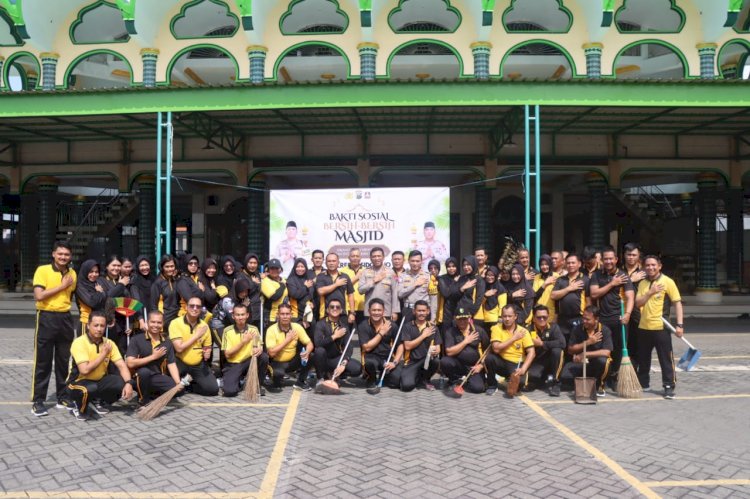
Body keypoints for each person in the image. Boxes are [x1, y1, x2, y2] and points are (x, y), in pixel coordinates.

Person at [31, 241, 78, 417]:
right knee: (43, 361)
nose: (63, 257)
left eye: (66, 254)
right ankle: (38, 401)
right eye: (60, 254)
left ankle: (62, 397)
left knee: (63, 361)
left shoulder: (73, 273)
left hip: (65, 318)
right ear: (53, 254)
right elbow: (39, 295)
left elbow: (71, 295)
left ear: (70, 256)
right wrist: (62, 286)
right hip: (46, 317)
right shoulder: (42, 270)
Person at [67, 311, 133, 421]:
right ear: (88, 325)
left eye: (102, 326)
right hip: (76, 383)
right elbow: (84, 370)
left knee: (120, 382)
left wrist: (129, 383)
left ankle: (97, 401)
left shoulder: (109, 343)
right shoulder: (79, 342)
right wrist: (103, 354)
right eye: (96, 325)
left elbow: (121, 365)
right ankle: (77, 406)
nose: (99, 329)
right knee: (89, 389)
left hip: (98, 382)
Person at [634, 255, 683, 399]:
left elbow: (677, 303)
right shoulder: (642, 283)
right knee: (643, 358)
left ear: (659, 266)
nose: (650, 267)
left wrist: (679, 325)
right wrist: (650, 292)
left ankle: (668, 386)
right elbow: (638, 303)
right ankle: (644, 383)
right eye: (647, 265)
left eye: (653, 265)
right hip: (644, 327)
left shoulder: (668, 281)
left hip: (661, 327)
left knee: (665, 359)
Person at [589, 245, 634, 388]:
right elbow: (594, 294)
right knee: (602, 349)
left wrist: (627, 314)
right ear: (602, 260)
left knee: (619, 350)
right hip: (602, 319)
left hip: (619, 319)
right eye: (605, 259)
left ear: (616, 259)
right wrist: (612, 284)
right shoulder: (596, 275)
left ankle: (614, 377)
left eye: (611, 259)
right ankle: (602, 377)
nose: (608, 261)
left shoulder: (623, 275)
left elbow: (630, 297)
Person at [125, 310, 180, 405]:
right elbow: (130, 363)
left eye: (159, 322)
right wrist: (153, 357)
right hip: (138, 377)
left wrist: (178, 383)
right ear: (147, 323)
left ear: (163, 324)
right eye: (153, 322)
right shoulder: (136, 339)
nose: (156, 325)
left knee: (178, 390)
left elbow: (171, 364)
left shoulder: (167, 342)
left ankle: (151, 394)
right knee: (144, 372)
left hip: (156, 377)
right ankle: (143, 400)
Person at [169, 296, 218, 396]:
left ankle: (190, 386)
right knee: (174, 392)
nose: (195, 308)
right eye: (192, 306)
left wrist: (207, 352)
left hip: (198, 364)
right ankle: (184, 382)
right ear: (186, 307)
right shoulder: (175, 323)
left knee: (213, 390)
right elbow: (179, 348)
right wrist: (196, 336)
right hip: (180, 362)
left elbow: (207, 346)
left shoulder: (204, 326)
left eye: (198, 306)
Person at [561, 306, 612, 397]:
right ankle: (583, 385)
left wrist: (585, 354)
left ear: (596, 319)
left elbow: (606, 352)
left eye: (587, 319)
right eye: (583, 318)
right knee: (565, 377)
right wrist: (588, 342)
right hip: (580, 363)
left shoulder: (605, 330)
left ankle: (600, 386)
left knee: (604, 361)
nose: (584, 321)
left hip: (596, 364)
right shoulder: (577, 329)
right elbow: (570, 350)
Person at [485, 305, 535, 396]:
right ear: (501, 316)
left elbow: (532, 352)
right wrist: (514, 338)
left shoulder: (523, 331)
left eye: (510, 316)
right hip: (502, 361)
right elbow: (496, 348)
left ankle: (510, 378)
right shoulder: (496, 328)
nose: (507, 319)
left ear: (515, 316)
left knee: (520, 385)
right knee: (489, 358)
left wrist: (523, 369)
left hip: (516, 363)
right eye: (504, 316)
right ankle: (492, 385)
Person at [221, 303, 269, 397]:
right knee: (229, 392)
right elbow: (227, 354)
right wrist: (243, 342)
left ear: (247, 315)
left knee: (263, 357)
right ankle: (240, 381)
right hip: (234, 364)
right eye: (237, 315)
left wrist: (259, 349)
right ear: (233, 316)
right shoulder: (227, 331)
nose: (240, 317)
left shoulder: (253, 329)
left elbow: (260, 346)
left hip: (249, 362)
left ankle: (257, 385)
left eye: (242, 314)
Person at [265, 302, 314, 392]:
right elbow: (271, 353)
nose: (285, 316)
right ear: (278, 315)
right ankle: (274, 379)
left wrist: (307, 352)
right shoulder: (271, 330)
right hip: (276, 362)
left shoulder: (297, 327)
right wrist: (287, 340)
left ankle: (300, 382)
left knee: (310, 355)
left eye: (287, 314)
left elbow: (310, 343)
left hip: (292, 361)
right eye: (282, 314)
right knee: (277, 380)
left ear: (291, 315)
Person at [440, 308, 489, 394]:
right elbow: (449, 352)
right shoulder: (450, 332)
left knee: (478, 389)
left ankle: (469, 380)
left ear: (469, 318)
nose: (462, 321)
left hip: (474, 367)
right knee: (445, 361)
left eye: (464, 319)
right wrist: (466, 341)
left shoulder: (478, 331)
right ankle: (454, 380)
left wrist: (481, 366)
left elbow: (488, 350)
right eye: (459, 319)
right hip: (458, 364)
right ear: (455, 319)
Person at [312, 298, 361, 381]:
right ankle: (321, 377)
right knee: (319, 351)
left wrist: (344, 363)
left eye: (337, 307)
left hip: (336, 358)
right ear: (327, 310)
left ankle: (336, 373)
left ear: (341, 310)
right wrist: (334, 336)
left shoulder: (344, 326)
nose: (335, 309)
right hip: (323, 359)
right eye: (332, 307)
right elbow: (318, 343)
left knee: (357, 368)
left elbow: (349, 347)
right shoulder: (320, 324)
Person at [358, 298, 403, 389]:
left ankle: (385, 375)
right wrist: (381, 333)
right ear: (369, 311)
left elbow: (400, 346)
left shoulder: (392, 325)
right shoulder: (363, 325)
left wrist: (395, 362)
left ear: (383, 311)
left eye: (379, 310)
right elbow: (367, 347)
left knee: (395, 382)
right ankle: (371, 378)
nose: (376, 313)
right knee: (369, 363)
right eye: (374, 310)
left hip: (387, 357)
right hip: (371, 356)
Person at [400, 300, 441, 391]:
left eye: (423, 311)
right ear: (414, 311)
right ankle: (417, 378)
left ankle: (425, 379)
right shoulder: (407, 326)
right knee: (407, 386)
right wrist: (423, 336)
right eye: (419, 311)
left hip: (426, 361)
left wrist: (436, 351)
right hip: (411, 362)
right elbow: (407, 346)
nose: (421, 313)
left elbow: (438, 348)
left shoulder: (433, 327)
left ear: (428, 311)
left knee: (436, 361)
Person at [527, 305, 566, 396]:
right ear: (534, 318)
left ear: (548, 317)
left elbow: (562, 343)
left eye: (544, 317)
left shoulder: (554, 327)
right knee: (532, 377)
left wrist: (542, 344)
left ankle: (556, 383)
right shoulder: (528, 329)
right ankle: (541, 380)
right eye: (539, 317)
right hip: (536, 361)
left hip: (551, 360)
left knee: (558, 351)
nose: (542, 319)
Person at [550, 253, 589, 342]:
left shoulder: (585, 279)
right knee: (563, 344)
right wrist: (569, 288)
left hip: (579, 318)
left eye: (573, 263)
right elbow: (553, 295)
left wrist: (586, 317)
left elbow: (589, 301)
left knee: (577, 344)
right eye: (568, 263)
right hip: (562, 319)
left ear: (579, 264)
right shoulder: (561, 279)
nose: (570, 265)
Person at [359, 247, 400, 322]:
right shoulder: (365, 272)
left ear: (383, 257)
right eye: (374, 256)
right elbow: (360, 290)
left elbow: (395, 293)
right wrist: (373, 281)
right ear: (370, 258)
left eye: (379, 256)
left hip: (386, 312)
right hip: (370, 312)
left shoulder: (391, 272)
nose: (376, 258)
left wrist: (395, 311)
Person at [623, 242, 646, 369]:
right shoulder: (619, 271)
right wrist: (631, 280)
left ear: (638, 256)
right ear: (624, 255)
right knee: (623, 342)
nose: (631, 257)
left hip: (638, 312)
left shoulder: (644, 272)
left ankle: (636, 372)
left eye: (634, 255)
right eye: (628, 255)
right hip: (623, 310)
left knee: (638, 343)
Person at [315, 253, 355, 323]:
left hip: (342, 314)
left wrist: (352, 313)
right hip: (325, 314)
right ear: (326, 263)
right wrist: (336, 284)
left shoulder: (345, 276)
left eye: (334, 261)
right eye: (329, 261)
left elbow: (350, 295)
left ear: (338, 262)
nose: (331, 263)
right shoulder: (321, 276)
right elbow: (320, 291)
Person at [75, 259, 107, 337]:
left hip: (99, 323)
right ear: (85, 271)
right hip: (86, 323)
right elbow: (91, 302)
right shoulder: (80, 286)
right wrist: (99, 292)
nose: (94, 274)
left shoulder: (97, 284)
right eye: (91, 272)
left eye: (96, 272)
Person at [397, 250, 431, 322]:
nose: (415, 263)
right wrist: (414, 285)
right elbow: (400, 294)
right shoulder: (403, 276)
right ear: (408, 261)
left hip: (423, 311)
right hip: (408, 310)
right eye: (412, 261)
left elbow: (433, 298)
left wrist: (433, 317)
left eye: (417, 261)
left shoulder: (428, 276)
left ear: (421, 261)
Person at [234, 253, 262, 328]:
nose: (253, 265)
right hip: (247, 312)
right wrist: (254, 283)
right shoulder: (241, 276)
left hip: (258, 312)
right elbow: (243, 292)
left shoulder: (256, 275)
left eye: (255, 263)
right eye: (250, 263)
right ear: (246, 263)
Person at [286, 257, 315, 327]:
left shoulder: (308, 279)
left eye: (302, 266)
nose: (300, 269)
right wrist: (305, 287)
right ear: (294, 268)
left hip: (309, 314)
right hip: (296, 316)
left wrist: (313, 304)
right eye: (298, 267)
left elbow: (313, 295)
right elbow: (294, 294)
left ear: (305, 268)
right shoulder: (291, 280)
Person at [340, 248, 366, 325]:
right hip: (348, 308)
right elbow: (341, 287)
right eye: (353, 256)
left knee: (363, 332)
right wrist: (356, 277)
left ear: (360, 258)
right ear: (349, 257)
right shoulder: (342, 271)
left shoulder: (366, 271)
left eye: (357, 256)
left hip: (364, 307)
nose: (355, 258)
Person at [260, 258, 288, 326]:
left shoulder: (284, 280)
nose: (274, 270)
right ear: (268, 270)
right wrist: (282, 286)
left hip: (284, 316)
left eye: (277, 268)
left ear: (280, 269)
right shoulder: (264, 281)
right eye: (272, 268)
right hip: (271, 318)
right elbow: (274, 296)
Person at [456, 255, 485, 320]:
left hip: (474, 316)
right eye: (464, 265)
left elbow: (479, 299)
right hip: (461, 313)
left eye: (468, 265)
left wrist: (470, 313)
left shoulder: (479, 280)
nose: (466, 267)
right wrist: (462, 288)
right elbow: (456, 295)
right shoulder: (461, 279)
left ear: (473, 264)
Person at [436, 257, 461, 330]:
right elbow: (446, 293)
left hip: (459, 309)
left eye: (453, 266)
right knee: (447, 331)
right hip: (447, 310)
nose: (451, 268)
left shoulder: (461, 278)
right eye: (449, 267)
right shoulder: (442, 278)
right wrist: (454, 282)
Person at [533, 254, 558, 324]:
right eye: (542, 265)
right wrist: (545, 284)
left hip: (552, 314)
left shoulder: (556, 276)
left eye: (546, 264)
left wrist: (556, 315)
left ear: (550, 264)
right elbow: (535, 296)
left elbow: (558, 298)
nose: (544, 267)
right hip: (539, 314)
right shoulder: (537, 277)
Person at [131, 255, 155, 327]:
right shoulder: (135, 282)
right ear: (137, 267)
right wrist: (141, 320)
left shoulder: (154, 279)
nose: (144, 268)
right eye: (141, 265)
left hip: (154, 315)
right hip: (142, 318)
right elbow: (136, 301)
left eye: (146, 265)